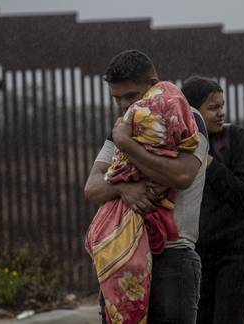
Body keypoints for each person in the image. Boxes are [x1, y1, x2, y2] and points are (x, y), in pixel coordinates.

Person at [84, 50, 209, 324]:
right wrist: (122, 189)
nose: (123, 105)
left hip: (173, 255)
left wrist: (127, 145)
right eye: (116, 98)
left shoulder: (186, 118)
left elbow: (182, 175)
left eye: (130, 96)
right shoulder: (123, 126)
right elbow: (92, 187)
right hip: (122, 257)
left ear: (153, 84)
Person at [182, 76, 244, 324]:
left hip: (237, 253)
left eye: (222, 106)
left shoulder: (233, 138)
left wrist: (210, 164)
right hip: (200, 258)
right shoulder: (179, 147)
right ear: (192, 112)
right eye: (213, 107)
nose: (221, 113)